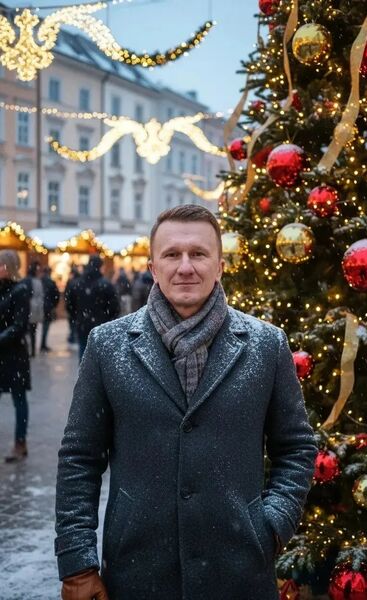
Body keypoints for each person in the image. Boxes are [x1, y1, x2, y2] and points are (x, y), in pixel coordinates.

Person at [55, 205, 317, 600]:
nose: (185, 267)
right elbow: (80, 457)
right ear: (153, 268)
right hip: (137, 571)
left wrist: (272, 525)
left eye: (198, 253)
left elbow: (296, 446)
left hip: (239, 570)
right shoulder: (107, 345)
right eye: (172, 254)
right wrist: (78, 564)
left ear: (220, 266)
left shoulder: (267, 344)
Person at [0, 250, 31, 462]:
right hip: (2, 353)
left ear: (9, 267)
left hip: (14, 355)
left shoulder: (20, 290)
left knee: (18, 398)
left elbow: (20, 326)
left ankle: (20, 443)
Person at [65, 255, 120, 360]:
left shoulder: (77, 284)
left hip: (83, 323)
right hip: (101, 325)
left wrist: (76, 317)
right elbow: (114, 307)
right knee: (100, 356)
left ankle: (84, 370)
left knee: (83, 351)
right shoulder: (105, 284)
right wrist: (108, 319)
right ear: (100, 266)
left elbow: (70, 305)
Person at [23, 261, 44, 357]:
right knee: (33, 332)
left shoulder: (25, 281)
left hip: (26, 309)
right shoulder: (38, 282)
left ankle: (27, 350)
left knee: (25, 331)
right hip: (34, 310)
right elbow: (40, 297)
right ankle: (32, 351)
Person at [40, 266, 60, 352]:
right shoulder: (51, 282)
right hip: (48, 307)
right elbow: (56, 295)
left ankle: (36, 345)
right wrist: (53, 305)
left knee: (34, 327)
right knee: (46, 326)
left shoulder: (40, 281)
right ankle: (43, 344)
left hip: (39, 306)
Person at [64, 265, 81, 344]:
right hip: (78, 307)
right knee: (76, 322)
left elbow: (67, 294)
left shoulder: (70, 282)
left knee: (72, 322)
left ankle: (72, 336)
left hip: (72, 306)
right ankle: (74, 336)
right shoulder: (80, 282)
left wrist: (68, 305)